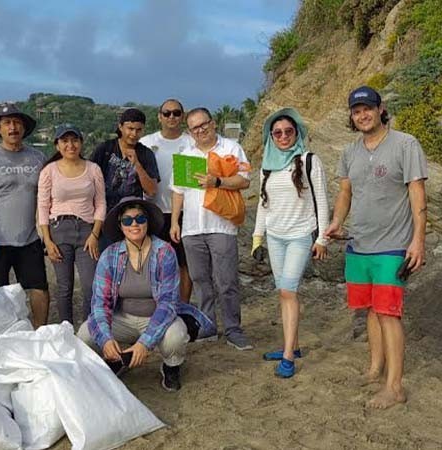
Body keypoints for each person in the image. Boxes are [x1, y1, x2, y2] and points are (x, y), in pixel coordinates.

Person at [323, 86, 428, 408]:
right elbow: (345, 192)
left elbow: (417, 193)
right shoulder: (350, 152)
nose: (362, 115)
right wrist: (337, 222)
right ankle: (375, 369)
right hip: (359, 243)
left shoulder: (405, 144)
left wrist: (418, 240)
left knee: (388, 313)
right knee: (369, 309)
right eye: (356, 111)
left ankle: (394, 387)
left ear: (381, 109)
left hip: (393, 245)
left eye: (367, 108)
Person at [77, 197, 214, 392]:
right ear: (120, 226)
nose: (134, 224)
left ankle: (171, 365)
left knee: (175, 336)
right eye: (127, 220)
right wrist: (106, 339)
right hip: (122, 318)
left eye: (140, 219)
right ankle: (117, 358)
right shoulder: (109, 255)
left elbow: (168, 304)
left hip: (157, 317)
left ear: (147, 222)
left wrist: (145, 343)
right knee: (85, 334)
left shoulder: (164, 252)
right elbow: (100, 303)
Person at [252, 108, 330, 378]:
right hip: (275, 236)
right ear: (270, 137)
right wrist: (257, 237)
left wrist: (321, 238)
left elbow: (322, 200)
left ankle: (288, 356)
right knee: (283, 292)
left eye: (288, 131)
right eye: (277, 133)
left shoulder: (309, 160)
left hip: (300, 235)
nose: (283, 136)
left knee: (288, 291)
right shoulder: (267, 166)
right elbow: (264, 205)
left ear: (297, 132)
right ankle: (292, 346)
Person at [170, 108, 253, 351]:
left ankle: (233, 330)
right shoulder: (187, 154)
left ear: (213, 123)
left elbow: (245, 179)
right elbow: (178, 192)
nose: (201, 130)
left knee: (226, 281)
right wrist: (175, 222)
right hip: (192, 229)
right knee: (200, 280)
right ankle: (208, 326)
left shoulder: (230, 148)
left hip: (222, 226)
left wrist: (217, 181)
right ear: (190, 132)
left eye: (204, 124)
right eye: (195, 127)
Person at [0, 103, 50, 328]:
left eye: (17, 123)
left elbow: (49, 195)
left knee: (39, 288)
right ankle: (0, 334)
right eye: (7, 123)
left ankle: (39, 331)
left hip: (30, 238)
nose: (12, 127)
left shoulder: (37, 158)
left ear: (24, 128)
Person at [37, 124, 106, 325]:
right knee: (64, 287)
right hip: (58, 230)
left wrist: (95, 234)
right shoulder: (49, 171)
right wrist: (47, 241)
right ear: (57, 145)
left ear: (81, 143)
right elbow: (42, 206)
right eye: (65, 141)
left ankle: (88, 330)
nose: (70, 145)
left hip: (87, 230)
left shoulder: (93, 169)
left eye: (74, 140)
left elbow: (101, 203)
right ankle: (65, 330)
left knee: (89, 285)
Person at [139, 98, 194, 302]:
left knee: (183, 263)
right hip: (153, 211)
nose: (172, 117)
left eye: (176, 113)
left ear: (183, 116)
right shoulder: (147, 143)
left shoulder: (190, 143)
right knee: (155, 262)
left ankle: (182, 307)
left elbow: (187, 184)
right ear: (160, 116)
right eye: (167, 113)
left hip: (184, 213)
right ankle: (158, 306)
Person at [90, 108, 160, 251]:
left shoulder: (146, 154)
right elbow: (89, 181)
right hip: (105, 216)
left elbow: (152, 190)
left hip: (132, 218)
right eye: (130, 128)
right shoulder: (105, 149)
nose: (134, 134)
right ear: (120, 127)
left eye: (139, 130)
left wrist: (138, 165)